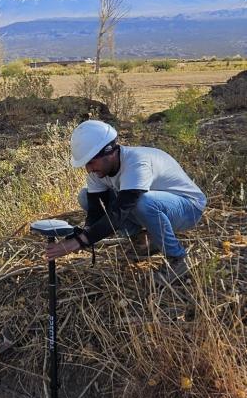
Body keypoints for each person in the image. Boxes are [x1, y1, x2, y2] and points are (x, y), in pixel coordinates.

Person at [45, 120, 206, 282]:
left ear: (109, 151)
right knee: (84, 196)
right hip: (155, 206)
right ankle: (144, 239)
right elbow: (96, 210)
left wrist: (80, 242)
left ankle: (178, 258)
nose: (89, 169)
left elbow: (119, 211)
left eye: (91, 162)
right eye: (86, 164)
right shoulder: (97, 172)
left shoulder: (136, 162)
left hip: (189, 208)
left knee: (141, 201)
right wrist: (85, 232)